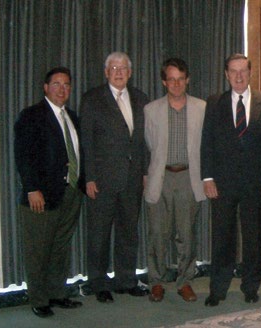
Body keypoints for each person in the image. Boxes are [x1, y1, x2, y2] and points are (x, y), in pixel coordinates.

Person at [201, 53, 261, 306]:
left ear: (250, 72)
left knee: (253, 238)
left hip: (256, 181)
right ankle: (218, 288)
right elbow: (207, 144)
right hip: (222, 183)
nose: (238, 76)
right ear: (226, 74)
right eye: (233, 71)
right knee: (222, 237)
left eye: (243, 71)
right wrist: (208, 177)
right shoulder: (214, 103)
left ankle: (251, 286)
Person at [14, 67, 85, 317]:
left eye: (66, 84)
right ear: (46, 87)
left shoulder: (72, 117)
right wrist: (32, 188)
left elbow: (78, 153)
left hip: (70, 193)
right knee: (38, 249)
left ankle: (57, 294)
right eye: (56, 84)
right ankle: (39, 299)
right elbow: (23, 156)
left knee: (60, 247)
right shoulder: (32, 116)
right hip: (41, 196)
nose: (62, 89)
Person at [80, 52, 150, 303]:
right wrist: (89, 177)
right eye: (113, 68)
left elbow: (144, 142)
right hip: (102, 180)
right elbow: (86, 142)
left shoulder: (141, 98)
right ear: (106, 72)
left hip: (132, 180)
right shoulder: (92, 99)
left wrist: (145, 172)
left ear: (130, 73)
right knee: (99, 233)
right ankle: (98, 283)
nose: (119, 72)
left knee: (128, 232)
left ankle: (126, 280)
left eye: (123, 68)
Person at [144, 58, 206, 303]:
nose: (176, 83)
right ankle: (156, 282)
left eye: (181, 78)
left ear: (187, 80)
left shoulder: (202, 108)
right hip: (161, 177)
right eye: (171, 79)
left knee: (187, 234)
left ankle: (185, 282)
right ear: (164, 82)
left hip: (189, 177)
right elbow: (149, 144)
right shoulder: (151, 110)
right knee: (157, 233)